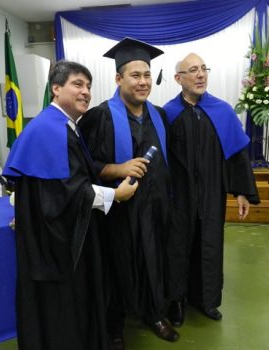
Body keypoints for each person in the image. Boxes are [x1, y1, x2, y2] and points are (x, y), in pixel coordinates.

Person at [2, 61, 138, 350]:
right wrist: (117, 196)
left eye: (88, 86)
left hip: (58, 237)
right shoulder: (50, 131)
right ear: (56, 88)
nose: (86, 91)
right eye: (78, 84)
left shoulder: (64, 126)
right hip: (57, 247)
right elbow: (69, 193)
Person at [80, 38, 179, 349]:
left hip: (156, 208)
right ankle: (114, 326)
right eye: (135, 75)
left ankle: (155, 313)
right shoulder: (99, 117)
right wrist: (118, 168)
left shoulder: (160, 116)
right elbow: (84, 166)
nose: (143, 82)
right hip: (119, 209)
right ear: (119, 78)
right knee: (117, 264)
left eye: (147, 74)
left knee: (155, 260)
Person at [163, 53, 260, 327]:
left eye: (204, 69)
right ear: (178, 78)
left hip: (211, 196)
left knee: (209, 246)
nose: (201, 74)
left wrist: (241, 191)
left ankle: (207, 301)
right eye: (192, 70)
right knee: (179, 248)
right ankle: (177, 302)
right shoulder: (168, 114)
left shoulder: (222, 111)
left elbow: (237, 154)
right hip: (179, 197)